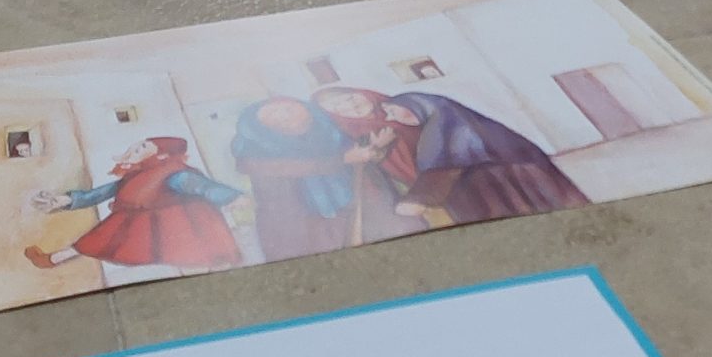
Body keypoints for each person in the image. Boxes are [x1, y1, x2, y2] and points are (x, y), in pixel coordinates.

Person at [313, 87, 587, 229]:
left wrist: (421, 197)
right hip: (452, 194)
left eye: (348, 97)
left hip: (484, 177)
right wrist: (375, 151)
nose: (349, 105)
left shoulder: (407, 104)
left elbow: (446, 149)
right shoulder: (358, 136)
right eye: (338, 107)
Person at [24, 134, 241, 274]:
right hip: (136, 220)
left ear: (162, 154)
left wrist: (231, 197)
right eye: (137, 146)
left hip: (169, 223)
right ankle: (52, 259)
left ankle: (216, 274)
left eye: (143, 147)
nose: (135, 149)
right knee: (96, 239)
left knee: (195, 256)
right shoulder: (135, 175)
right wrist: (67, 199)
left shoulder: (173, 173)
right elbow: (103, 193)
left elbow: (199, 186)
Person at [231, 97, 355, 260]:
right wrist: (342, 160)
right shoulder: (254, 150)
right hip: (291, 223)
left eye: (288, 109)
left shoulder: (329, 133)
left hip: (339, 211)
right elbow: (292, 167)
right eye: (273, 114)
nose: (283, 116)